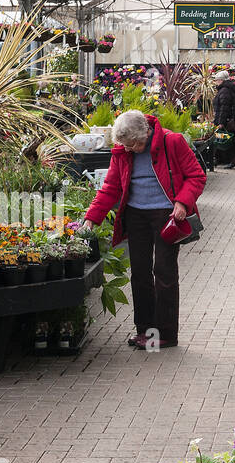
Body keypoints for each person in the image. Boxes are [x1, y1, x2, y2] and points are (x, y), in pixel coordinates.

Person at [82, 109, 206, 350]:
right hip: (136, 215)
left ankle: (166, 334)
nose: (129, 149)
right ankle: (146, 332)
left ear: (146, 133)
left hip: (166, 215)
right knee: (139, 273)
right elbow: (110, 188)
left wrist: (182, 202)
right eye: (125, 145)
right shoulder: (122, 151)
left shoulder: (173, 142)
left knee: (164, 273)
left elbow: (196, 176)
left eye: (133, 144)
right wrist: (91, 219)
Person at [212, 70, 235, 169]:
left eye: (217, 80)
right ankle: (233, 161)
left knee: (226, 140)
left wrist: (221, 122)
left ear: (221, 80)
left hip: (228, 120)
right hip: (233, 119)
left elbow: (224, 108)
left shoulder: (224, 90)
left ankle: (228, 161)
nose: (216, 82)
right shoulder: (230, 89)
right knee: (232, 140)